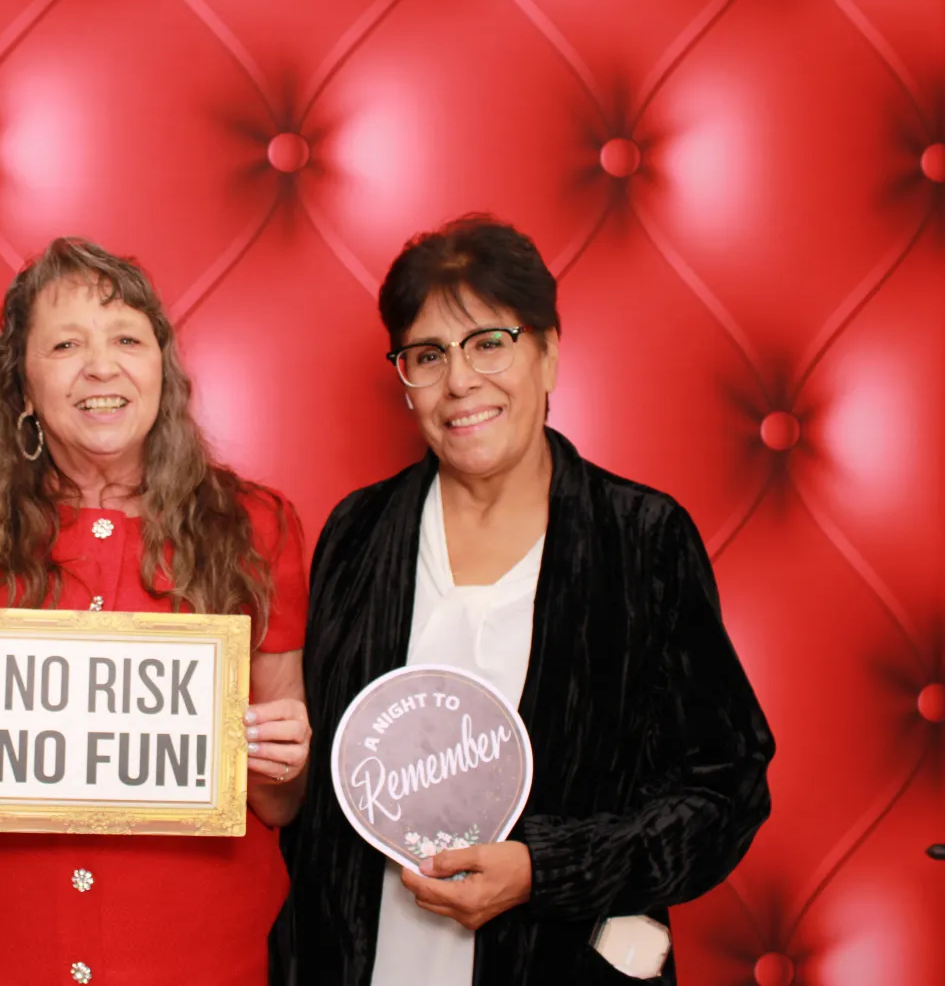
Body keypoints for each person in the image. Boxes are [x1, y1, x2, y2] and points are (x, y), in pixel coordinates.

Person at [273, 213, 775, 985]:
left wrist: (545, 869)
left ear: (548, 355)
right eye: (427, 355)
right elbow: (326, 793)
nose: (460, 380)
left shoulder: (641, 539)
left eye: (489, 343)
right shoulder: (359, 531)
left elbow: (725, 788)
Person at [0, 237, 312, 985]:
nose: (102, 366)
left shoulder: (258, 525)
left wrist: (283, 761)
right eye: (67, 343)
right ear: (24, 387)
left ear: (161, 370)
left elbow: (281, 799)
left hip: (196, 960)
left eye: (128, 339)